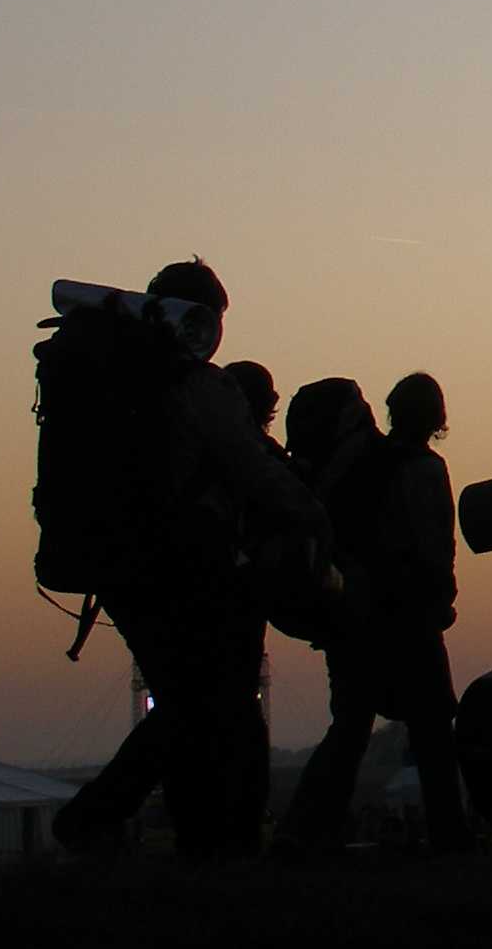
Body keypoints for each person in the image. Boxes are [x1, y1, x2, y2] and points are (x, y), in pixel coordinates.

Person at [54, 261, 329, 861]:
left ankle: (196, 841)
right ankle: (108, 818)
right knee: (210, 703)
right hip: (188, 568)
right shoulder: (198, 386)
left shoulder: (116, 377)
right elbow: (249, 471)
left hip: (120, 566)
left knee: (188, 702)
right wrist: (313, 515)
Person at [279, 374, 470, 853]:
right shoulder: (426, 468)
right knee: (431, 731)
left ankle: (305, 831)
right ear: (436, 419)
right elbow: (433, 548)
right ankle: (451, 837)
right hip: (408, 617)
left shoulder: (359, 466)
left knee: (350, 726)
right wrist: (440, 601)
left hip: (353, 615)